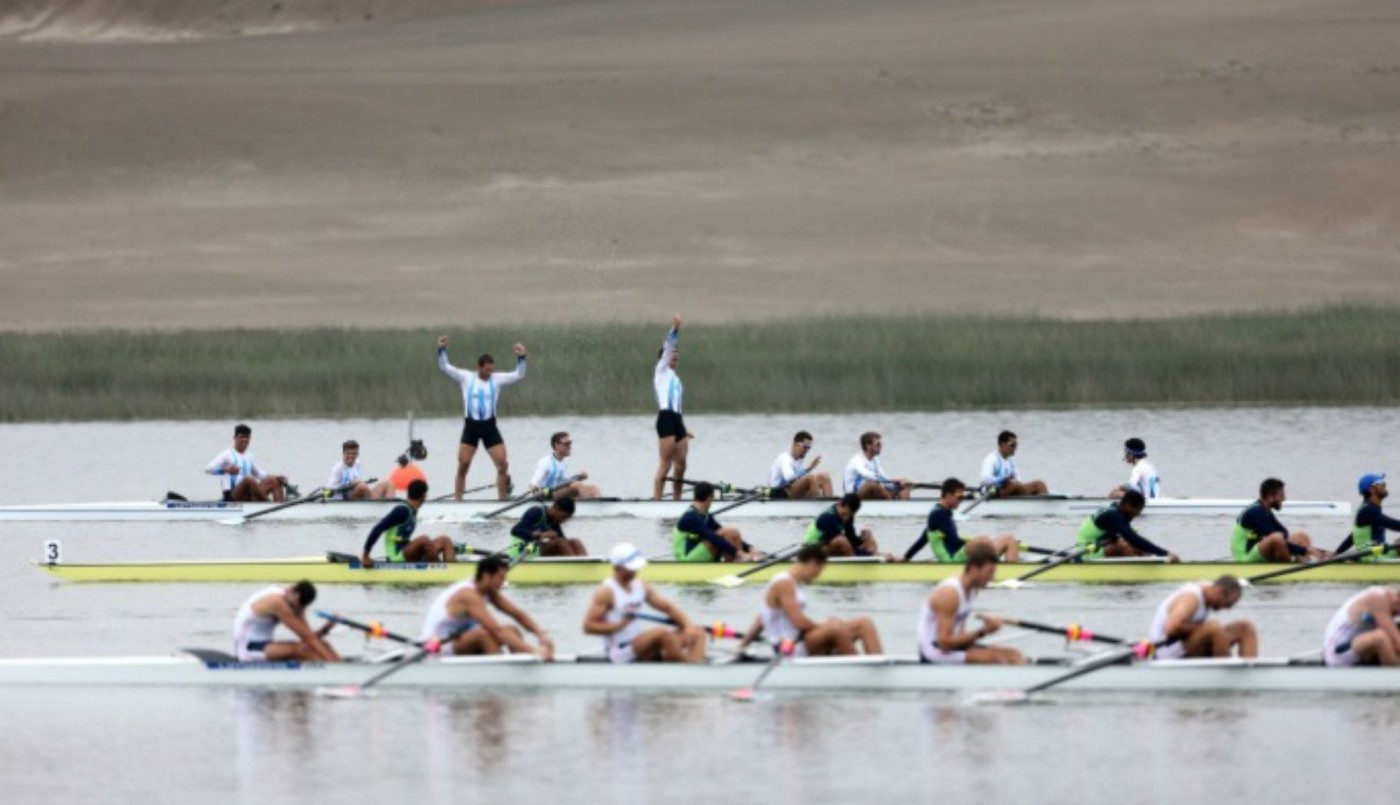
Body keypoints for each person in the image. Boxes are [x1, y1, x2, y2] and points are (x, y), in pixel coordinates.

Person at [437, 334, 528, 501]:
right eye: (487, 370)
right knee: (463, 465)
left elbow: (519, 374)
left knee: (502, 465)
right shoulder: (465, 377)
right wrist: (441, 348)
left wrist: (522, 357)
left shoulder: (497, 379)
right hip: (471, 427)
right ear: (478, 367)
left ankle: (501, 501)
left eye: (491, 369)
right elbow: (445, 367)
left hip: (489, 427)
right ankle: (458, 502)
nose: (490, 373)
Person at [584, 543, 707, 663]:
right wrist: (618, 626)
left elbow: (669, 608)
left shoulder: (641, 586)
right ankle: (687, 667)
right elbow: (589, 626)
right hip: (620, 651)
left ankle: (696, 669)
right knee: (662, 633)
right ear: (617, 568)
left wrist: (687, 625)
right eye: (631, 568)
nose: (635, 571)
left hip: (639, 644)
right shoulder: (606, 591)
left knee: (696, 632)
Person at [419, 555, 554, 658]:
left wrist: (541, 635)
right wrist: (535, 651)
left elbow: (517, 614)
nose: (503, 582)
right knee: (484, 634)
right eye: (500, 578)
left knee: (512, 630)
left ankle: (523, 667)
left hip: (458, 639)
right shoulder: (468, 595)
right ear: (486, 576)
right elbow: (496, 630)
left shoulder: (488, 592)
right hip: (436, 646)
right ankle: (502, 673)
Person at [761, 545, 883, 656]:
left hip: (802, 640)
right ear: (812, 563)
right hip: (790, 647)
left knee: (863, 623)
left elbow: (761, 618)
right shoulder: (785, 583)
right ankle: (858, 670)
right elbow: (799, 622)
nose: (817, 576)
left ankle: (878, 666)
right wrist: (825, 626)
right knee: (836, 627)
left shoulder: (793, 583)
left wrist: (744, 644)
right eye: (819, 571)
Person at [917, 542, 1025, 665]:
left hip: (950, 650)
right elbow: (944, 643)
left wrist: (986, 644)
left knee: (1013, 654)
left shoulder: (972, 590)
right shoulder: (949, 594)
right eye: (989, 572)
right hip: (934, 654)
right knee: (997, 658)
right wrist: (983, 631)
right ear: (974, 568)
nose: (992, 578)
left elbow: (959, 636)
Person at [902, 478, 1020, 562]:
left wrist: (905, 558)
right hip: (952, 560)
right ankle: (1007, 571)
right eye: (959, 497)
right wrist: (981, 544)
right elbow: (954, 542)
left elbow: (923, 539)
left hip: (958, 556)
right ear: (948, 495)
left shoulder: (939, 512)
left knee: (1007, 539)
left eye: (963, 497)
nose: (961, 500)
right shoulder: (938, 515)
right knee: (991, 539)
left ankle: (1007, 567)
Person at [1148, 576, 1256, 659]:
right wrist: (1203, 628)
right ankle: (1226, 676)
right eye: (1228, 604)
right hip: (1165, 650)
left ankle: (1251, 673)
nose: (1227, 609)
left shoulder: (1209, 590)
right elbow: (1171, 627)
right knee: (1214, 628)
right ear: (1219, 592)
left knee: (1245, 627)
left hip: (1185, 646)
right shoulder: (1191, 598)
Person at [232, 581, 339, 662]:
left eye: (299, 607)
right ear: (292, 591)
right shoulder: (276, 602)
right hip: (247, 649)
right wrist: (335, 668)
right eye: (296, 606)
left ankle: (343, 672)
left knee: (324, 644)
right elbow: (308, 639)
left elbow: (310, 637)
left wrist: (326, 628)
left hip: (265, 646)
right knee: (301, 650)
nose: (297, 610)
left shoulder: (295, 601)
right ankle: (337, 674)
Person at [360, 479, 458, 566]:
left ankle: (453, 571)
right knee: (424, 539)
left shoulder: (412, 510)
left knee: (445, 540)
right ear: (423, 497)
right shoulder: (401, 511)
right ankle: (441, 572)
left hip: (407, 553)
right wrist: (366, 555)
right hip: (396, 557)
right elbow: (378, 528)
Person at [1232, 478, 1324, 563]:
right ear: (1270, 497)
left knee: (1301, 537)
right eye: (1281, 495)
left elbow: (1284, 533)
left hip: (1258, 551)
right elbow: (1277, 539)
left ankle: (1305, 562)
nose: (1284, 499)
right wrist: (1306, 550)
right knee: (1277, 539)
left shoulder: (1265, 510)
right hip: (1244, 558)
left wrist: (1310, 550)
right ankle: (1291, 567)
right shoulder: (1255, 513)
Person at [1076, 490, 1179, 561]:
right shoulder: (1114, 516)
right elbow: (1134, 539)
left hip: (1099, 545)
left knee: (1136, 546)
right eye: (1138, 510)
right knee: (1125, 546)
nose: (1138, 514)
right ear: (1128, 506)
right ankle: (1136, 571)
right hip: (1085, 552)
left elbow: (1135, 540)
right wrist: (1166, 553)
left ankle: (1153, 564)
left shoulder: (1117, 510)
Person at [652, 314, 690, 500]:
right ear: (664, 358)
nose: (675, 357)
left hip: (677, 420)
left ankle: (677, 500)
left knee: (681, 464)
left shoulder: (677, 380)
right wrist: (675, 328)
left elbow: (679, 406)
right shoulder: (661, 370)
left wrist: (683, 429)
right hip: (665, 418)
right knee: (666, 463)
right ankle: (657, 500)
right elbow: (668, 345)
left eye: (677, 355)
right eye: (671, 355)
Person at [205, 423, 294, 502]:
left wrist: (278, 477)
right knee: (249, 479)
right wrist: (225, 469)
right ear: (235, 438)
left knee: (274, 481)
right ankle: (269, 505)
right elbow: (208, 469)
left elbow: (260, 474)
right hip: (232, 496)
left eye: (247, 437)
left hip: (248, 495)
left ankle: (279, 508)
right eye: (241, 437)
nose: (245, 440)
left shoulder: (249, 456)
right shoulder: (226, 454)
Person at [673, 482, 755, 562]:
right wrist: (739, 553)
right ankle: (738, 561)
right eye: (713, 498)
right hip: (685, 559)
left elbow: (721, 530)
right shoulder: (691, 517)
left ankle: (737, 562)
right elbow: (712, 537)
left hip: (696, 552)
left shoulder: (705, 515)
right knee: (729, 532)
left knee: (732, 534)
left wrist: (749, 548)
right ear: (709, 498)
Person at [1322, 586, 1400, 667]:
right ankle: (1393, 675)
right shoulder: (1377, 599)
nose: (1397, 614)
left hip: (1355, 646)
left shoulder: (1390, 600)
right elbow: (1396, 644)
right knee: (1380, 638)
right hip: (1337, 653)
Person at [804, 493, 888, 558]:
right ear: (840, 505)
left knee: (868, 536)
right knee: (841, 540)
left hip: (828, 546)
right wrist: (870, 555)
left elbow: (852, 540)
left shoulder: (848, 515)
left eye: (850, 515)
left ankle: (872, 563)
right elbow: (842, 544)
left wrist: (863, 540)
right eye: (845, 514)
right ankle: (858, 564)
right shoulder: (828, 518)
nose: (846, 518)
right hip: (811, 551)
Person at [1338, 474, 1400, 559]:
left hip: (1378, 553)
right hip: (1371, 557)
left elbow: (1353, 537)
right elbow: (1392, 524)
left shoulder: (1367, 508)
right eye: (1380, 483)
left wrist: (1336, 553)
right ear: (1371, 489)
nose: (1384, 485)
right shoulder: (1368, 510)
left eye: (1384, 483)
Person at [529, 432, 600, 499]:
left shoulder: (563, 462)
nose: (569, 446)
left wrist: (578, 477)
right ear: (557, 445)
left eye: (570, 443)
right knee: (578, 485)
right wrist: (536, 489)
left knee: (594, 488)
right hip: (545, 492)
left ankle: (599, 508)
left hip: (556, 490)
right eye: (566, 444)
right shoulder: (546, 462)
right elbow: (532, 484)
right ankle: (587, 507)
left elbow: (563, 481)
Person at [509, 497, 587, 558]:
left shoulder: (555, 522)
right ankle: (575, 567)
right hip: (523, 549)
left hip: (536, 548)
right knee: (560, 542)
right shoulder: (536, 512)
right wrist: (539, 535)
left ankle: (585, 565)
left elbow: (565, 542)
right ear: (555, 508)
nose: (564, 520)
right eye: (563, 517)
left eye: (567, 518)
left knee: (575, 542)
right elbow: (515, 530)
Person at [843, 432, 911, 500]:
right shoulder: (857, 460)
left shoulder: (875, 460)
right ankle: (888, 505)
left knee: (904, 482)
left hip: (871, 492)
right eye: (878, 444)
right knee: (871, 484)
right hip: (853, 496)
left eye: (881, 444)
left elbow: (882, 476)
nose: (881, 447)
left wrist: (898, 485)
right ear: (867, 445)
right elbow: (868, 475)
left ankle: (904, 507)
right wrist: (894, 482)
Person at [979, 431, 1048, 498]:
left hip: (1009, 488)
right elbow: (985, 479)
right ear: (1002, 444)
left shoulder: (1011, 460)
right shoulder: (991, 459)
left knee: (1039, 484)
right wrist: (1001, 479)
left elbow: (1018, 479)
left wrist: (1016, 483)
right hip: (991, 490)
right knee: (1012, 485)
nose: (1015, 448)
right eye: (1012, 445)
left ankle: (1041, 505)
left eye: (1016, 445)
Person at [769, 431, 832, 499]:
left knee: (824, 476)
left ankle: (829, 504)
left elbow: (799, 479)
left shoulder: (798, 461)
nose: (807, 450)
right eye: (805, 447)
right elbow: (789, 478)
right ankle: (814, 506)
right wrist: (808, 469)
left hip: (789, 489)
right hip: (777, 492)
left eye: (809, 447)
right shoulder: (785, 458)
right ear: (795, 445)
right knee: (811, 478)